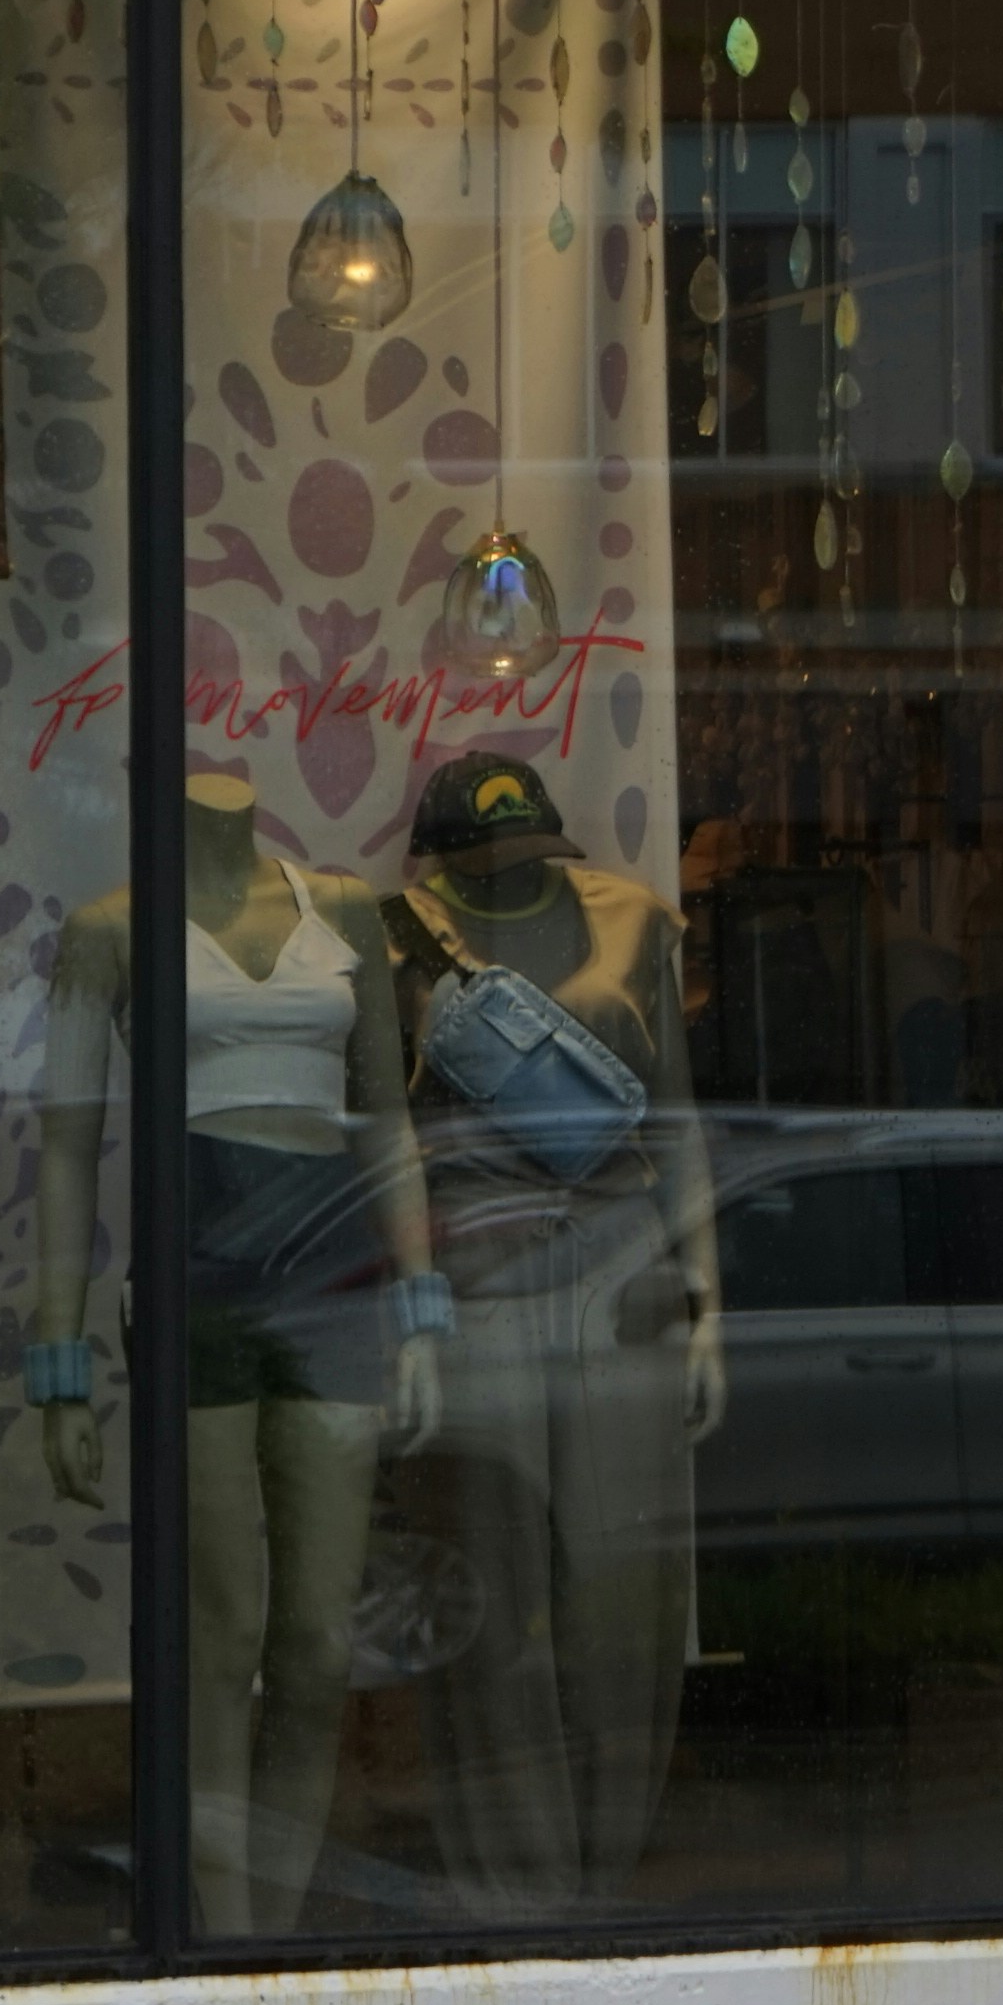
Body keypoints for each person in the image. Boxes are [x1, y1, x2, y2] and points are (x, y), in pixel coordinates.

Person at [30, 771, 439, 1936]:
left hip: (334, 1278)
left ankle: (280, 1922)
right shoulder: (109, 929)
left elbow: (387, 1120)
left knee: (314, 1638)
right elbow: (67, 1150)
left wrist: (422, 1303)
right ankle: (228, 1935)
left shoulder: (344, 910)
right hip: (192, 1275)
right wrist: (57, 1360)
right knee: (223, 1631)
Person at [385, 750, 723, 1915]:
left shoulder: (636, 924)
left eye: (518, 855)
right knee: (490, 1595)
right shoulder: (393, 939)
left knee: (623, 1597)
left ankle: (609, 1862)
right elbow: (382, 1143)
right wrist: (414, 1312)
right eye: (480, 859)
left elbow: (676, 1122)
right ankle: (514, 1880)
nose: (500, 876)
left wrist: (708, 1301)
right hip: (476, 1278)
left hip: (625, 1276)